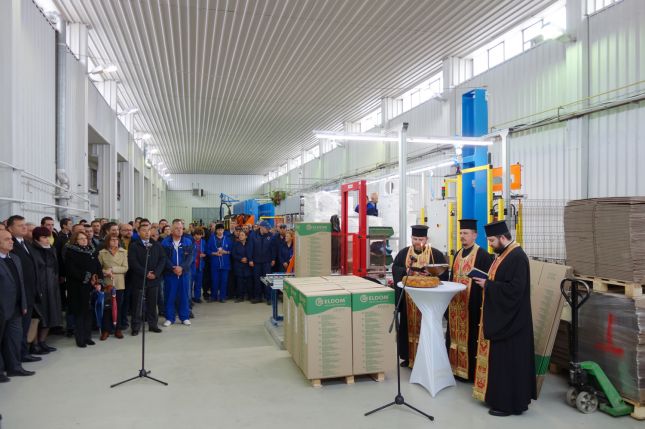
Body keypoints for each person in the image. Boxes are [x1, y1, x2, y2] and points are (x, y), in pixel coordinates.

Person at [472, 220, 536, 416]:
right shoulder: (504, 254)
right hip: (505, 318)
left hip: (513, 323)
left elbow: (515, 290)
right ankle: (501, 399)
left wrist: (488, 285)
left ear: (502, 237)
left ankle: (508, 405)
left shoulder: (517, 257)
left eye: (492, 240)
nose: (490, 244)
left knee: (509, 364)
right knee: (502, 363)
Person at [391, 224, 448, 368]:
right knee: (407, 327)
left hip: (428, 301)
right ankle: (408, 357)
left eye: (420, 239)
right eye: (415, 239)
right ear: (411, 238)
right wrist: (405, 272)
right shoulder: (404, 253)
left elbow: (443, 274)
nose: (417, 242)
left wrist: (431, 273)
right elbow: (395, 268)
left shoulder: (435, 254)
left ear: (426, 239)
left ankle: (427, 358)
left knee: (426, 328)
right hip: (408, 299)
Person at [446, 219, 492, 381]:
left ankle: (469, 373)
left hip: (472, 307)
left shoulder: (483, 255)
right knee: (454, 337)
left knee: (471, 339)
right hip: (456, 306)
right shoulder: (458, 254)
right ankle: (454, 369)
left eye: (465, 233)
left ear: (475, 235)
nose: (462, 236)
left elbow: (488, 281)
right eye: (460, 233)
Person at [7, 215, 42, 364]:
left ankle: (24, 352)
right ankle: (17, 357)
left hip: (30, 292)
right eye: (19, 225)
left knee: (26, 326)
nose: (24, 227)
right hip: (20, 295)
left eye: (24, 224)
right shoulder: (10, 245)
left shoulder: (26, 243)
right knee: (18, 328)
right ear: (10, 229)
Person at [0, 230, 33, 379]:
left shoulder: (15, 258)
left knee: (14, 339)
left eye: (11, 239)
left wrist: (23, 303)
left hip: (16, 308)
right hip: (2, 308)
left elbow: (21, 283)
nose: (11, 241)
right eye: (7, 239)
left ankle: (14, 367)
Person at [65, 231, 103, 348]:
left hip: (90, 286)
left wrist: (99, 282)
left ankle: (88, 337)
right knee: (80, 313)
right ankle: (80, 338)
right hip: (78, 287)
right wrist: (87, 278)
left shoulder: (91, 251)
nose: (84, 240)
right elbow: (72, 270)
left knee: (88, 313)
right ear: (75, 240)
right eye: (81, 238)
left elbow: (98, 267)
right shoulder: (71, 252)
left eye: (85, 238)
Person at [129, 224, 166, 335]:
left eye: (148, 230)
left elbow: (162, 259)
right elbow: (133, 262)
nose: (147, 232)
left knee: (152, 303)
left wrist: (156, 273)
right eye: (144, 230)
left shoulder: (156, 244)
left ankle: (153, 325)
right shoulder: (134, 245)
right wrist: (145, 273)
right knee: (137, 304)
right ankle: (135, 327)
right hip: (139, 279)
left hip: (154, 279)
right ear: (138, 232)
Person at [30, 227, 62, 354]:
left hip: (52, 287)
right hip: (39, 288)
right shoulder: (31, 250)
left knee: (51, 314)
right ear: (36, 239)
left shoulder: (52, 249)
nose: (47, 240)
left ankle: (43, 341)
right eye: (44, 237)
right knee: (38, 317)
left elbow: (55, 268)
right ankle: (34, 344)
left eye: (48, 237)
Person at [161, 220, 193, 326]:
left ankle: (184, 317)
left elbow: (190, 258)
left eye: (181, 228)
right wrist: (172, 268)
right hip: (170, 274)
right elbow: (164, 258)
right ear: (172, 230)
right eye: (177, 228)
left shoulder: (188, 242)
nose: (179, 230)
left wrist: (182, 268)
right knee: (170, 295)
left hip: (184, 274)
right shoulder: (165, 242)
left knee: (184, 295)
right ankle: (170, 318)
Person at [98, 235, 128, 340]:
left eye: (116, 240)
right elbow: (98, 268)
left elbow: (125, 268)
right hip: (107, 284)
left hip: (119, 283)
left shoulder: (123, 252)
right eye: (112, 240)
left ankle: (117, 329)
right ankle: (106, 330)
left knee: (118, 307)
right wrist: (105, 271)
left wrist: (112, 269)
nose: (115, 241)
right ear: (107, 241)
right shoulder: (102, 253)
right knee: (107, 307)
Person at [248, 220, 276, 304]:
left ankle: (268, 298)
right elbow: (250, 248)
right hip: (256, 262)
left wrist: (273, 259)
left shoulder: (271, 235)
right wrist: (250, 259)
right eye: (266, 228)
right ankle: (258, 297)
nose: (268, 230)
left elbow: (273, 248)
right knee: (257, 280)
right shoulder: (253, 235)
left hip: (267, 262)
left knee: (268, 280)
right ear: (261, 227)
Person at [208, 223, 232, 303]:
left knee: (224, 281)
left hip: (225, 264)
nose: (220, 231)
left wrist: (226, 252)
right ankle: (213, 296)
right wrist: (214, 253)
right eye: (218, 230)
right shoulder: (211, 239)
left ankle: (222, 297)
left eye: (221, 230)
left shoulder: (228, 239)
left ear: (223, 230)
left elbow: (232, 251)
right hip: (215, 264)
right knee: (214, 281)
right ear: (216, 231)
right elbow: (207, 250)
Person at [232, 229, 253, 302]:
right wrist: (240, 259)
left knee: (249, 281)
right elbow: (233, 254)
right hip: (239, 265)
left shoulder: (249, 244)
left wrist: (248, 259)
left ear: (246, 236)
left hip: (247, 265)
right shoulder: (236, 244)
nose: (240, 236)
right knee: (239, 282)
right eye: (240, 235)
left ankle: (250, 296)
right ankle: (240, 297)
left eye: (242, 235)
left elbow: (252, 253)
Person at [190, 228, 207, 303]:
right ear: (194, 235)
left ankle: (197, 297)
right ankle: (189, 299)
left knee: (199, 282)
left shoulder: (203, 242)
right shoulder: (190, 241)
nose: (199, 236)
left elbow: (206, 251)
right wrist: (196, 255)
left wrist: (204, 254)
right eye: (197, 234)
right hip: (192, 266)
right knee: (190, 283)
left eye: (200, 235)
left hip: (200, 265)